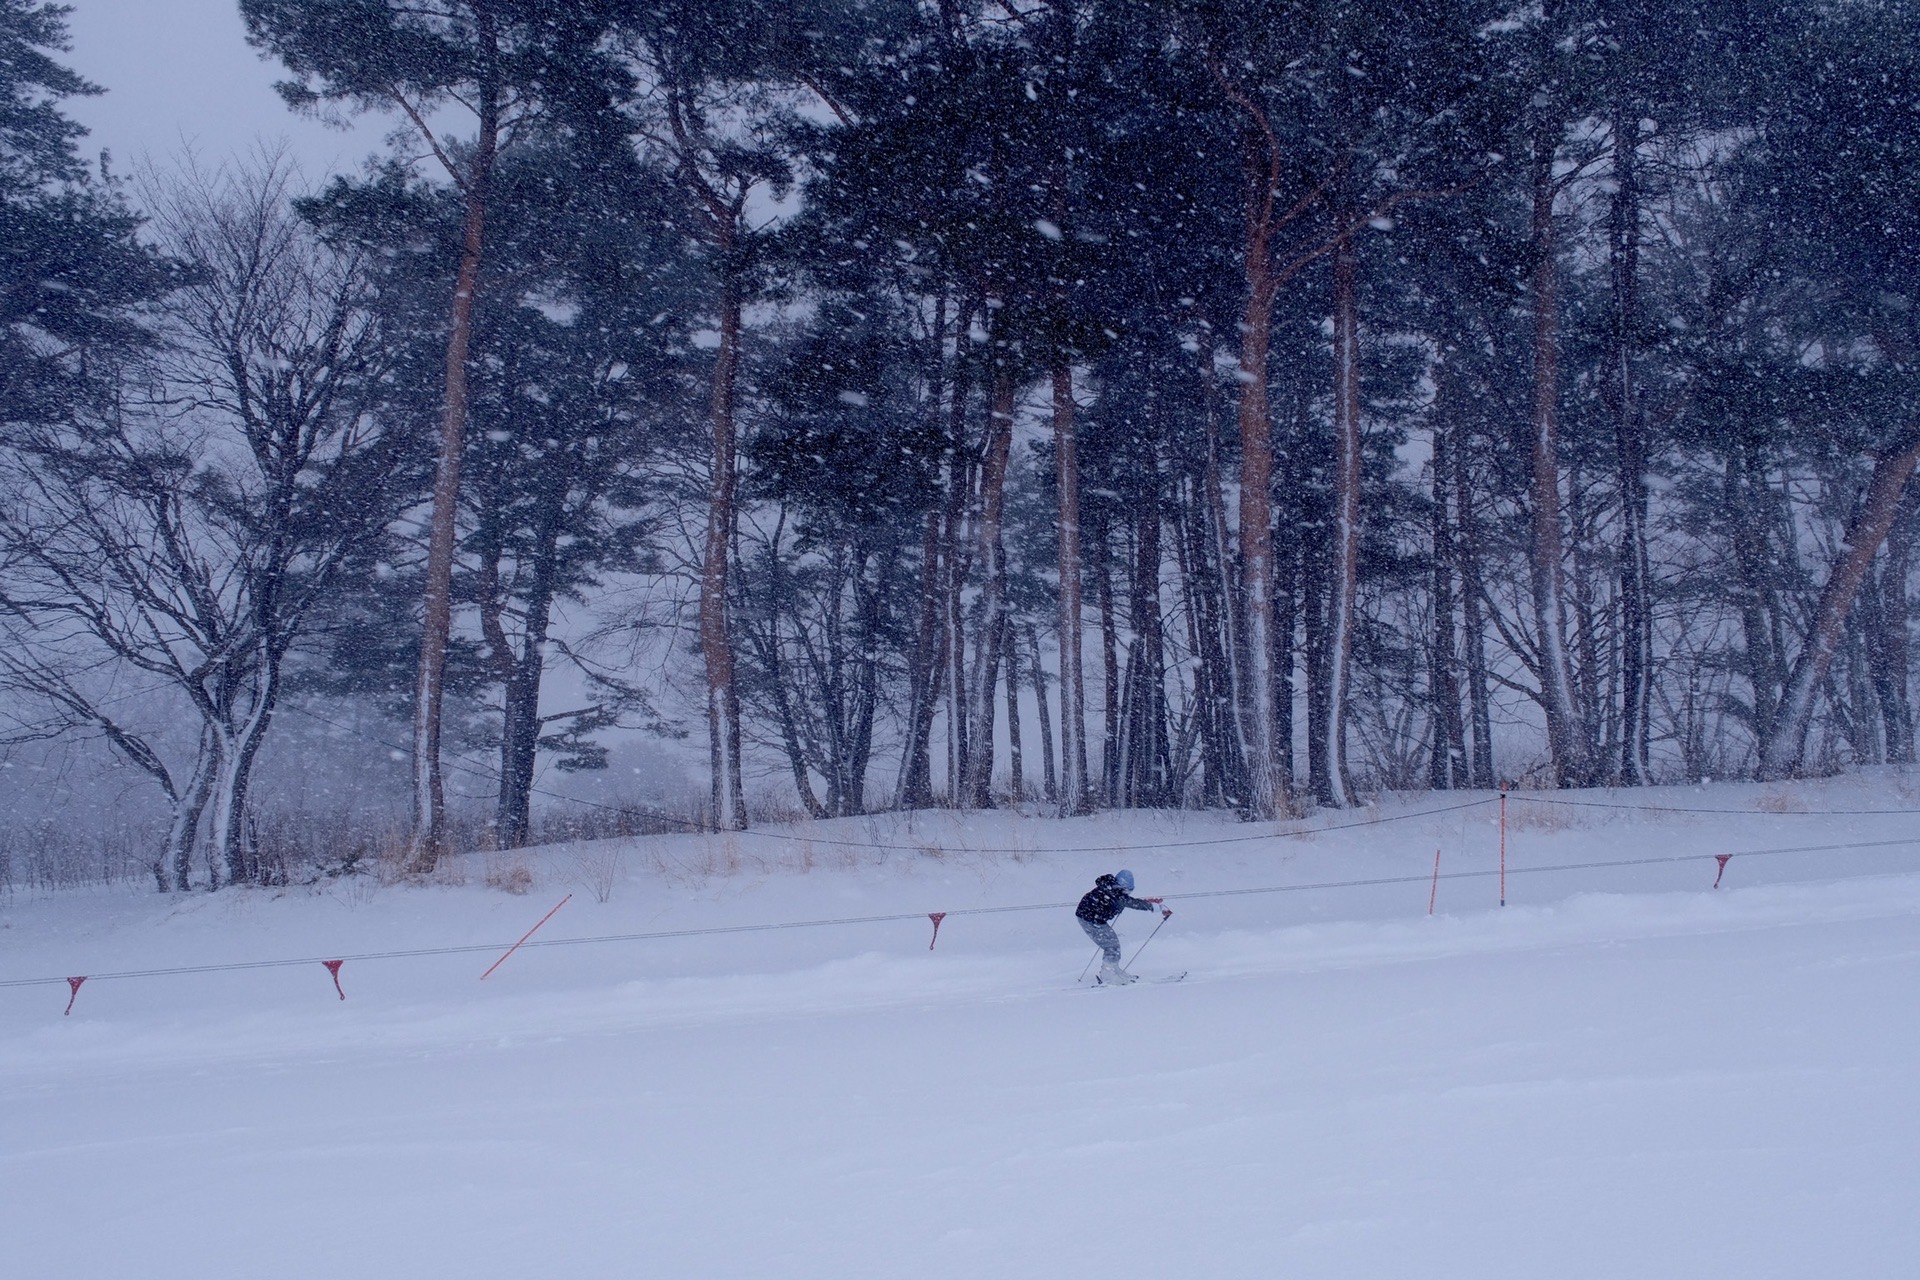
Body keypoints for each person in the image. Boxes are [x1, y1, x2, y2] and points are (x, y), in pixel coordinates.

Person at [1075, 869, 1163, 984]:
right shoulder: (1114, 893)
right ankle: (1108, 975)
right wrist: (1153, 907)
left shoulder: (1111, 889)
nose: (1128, 893)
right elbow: (1130, 902)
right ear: (1120, 887)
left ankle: (1114, 970)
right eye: (1126, 891)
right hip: (1089, 920)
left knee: (1113, 944)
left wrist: (1147, 903)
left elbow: (1125, 900)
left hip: (1094, 918)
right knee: (1111, 946)